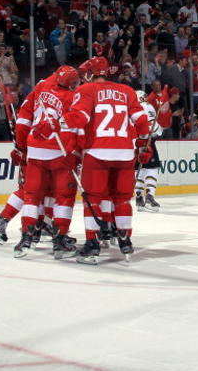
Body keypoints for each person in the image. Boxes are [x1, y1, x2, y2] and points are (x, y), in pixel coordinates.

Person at [50, 57, 150, 264]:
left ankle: (92, 245)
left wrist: (58, 121)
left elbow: (79, 118)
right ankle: (125, 241)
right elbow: (141, 121)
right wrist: (142, 144)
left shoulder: (86, 91)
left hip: (98, 152)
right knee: (122, 199)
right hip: (124, 153)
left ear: (90, 73)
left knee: (93, 199)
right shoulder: (127, 91)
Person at [12, 65, 80, 259]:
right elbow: (75, 127)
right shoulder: (72, 98)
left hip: (35, 148)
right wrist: (77, 153)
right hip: (57, 152)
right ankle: (60, 240)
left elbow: (23, 121)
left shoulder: (41, 88)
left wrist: (21, 147)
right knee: (63, 197)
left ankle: (26, 238)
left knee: (32, 196)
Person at [135, 90, 162, 212]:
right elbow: (152, 125)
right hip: (147, 142)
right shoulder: (147, 106)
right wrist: (158, 130)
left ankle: (139, 197)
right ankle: (150, 196)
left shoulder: (130, 108)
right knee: (152, 168)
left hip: (134, 144)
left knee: (139, 171)